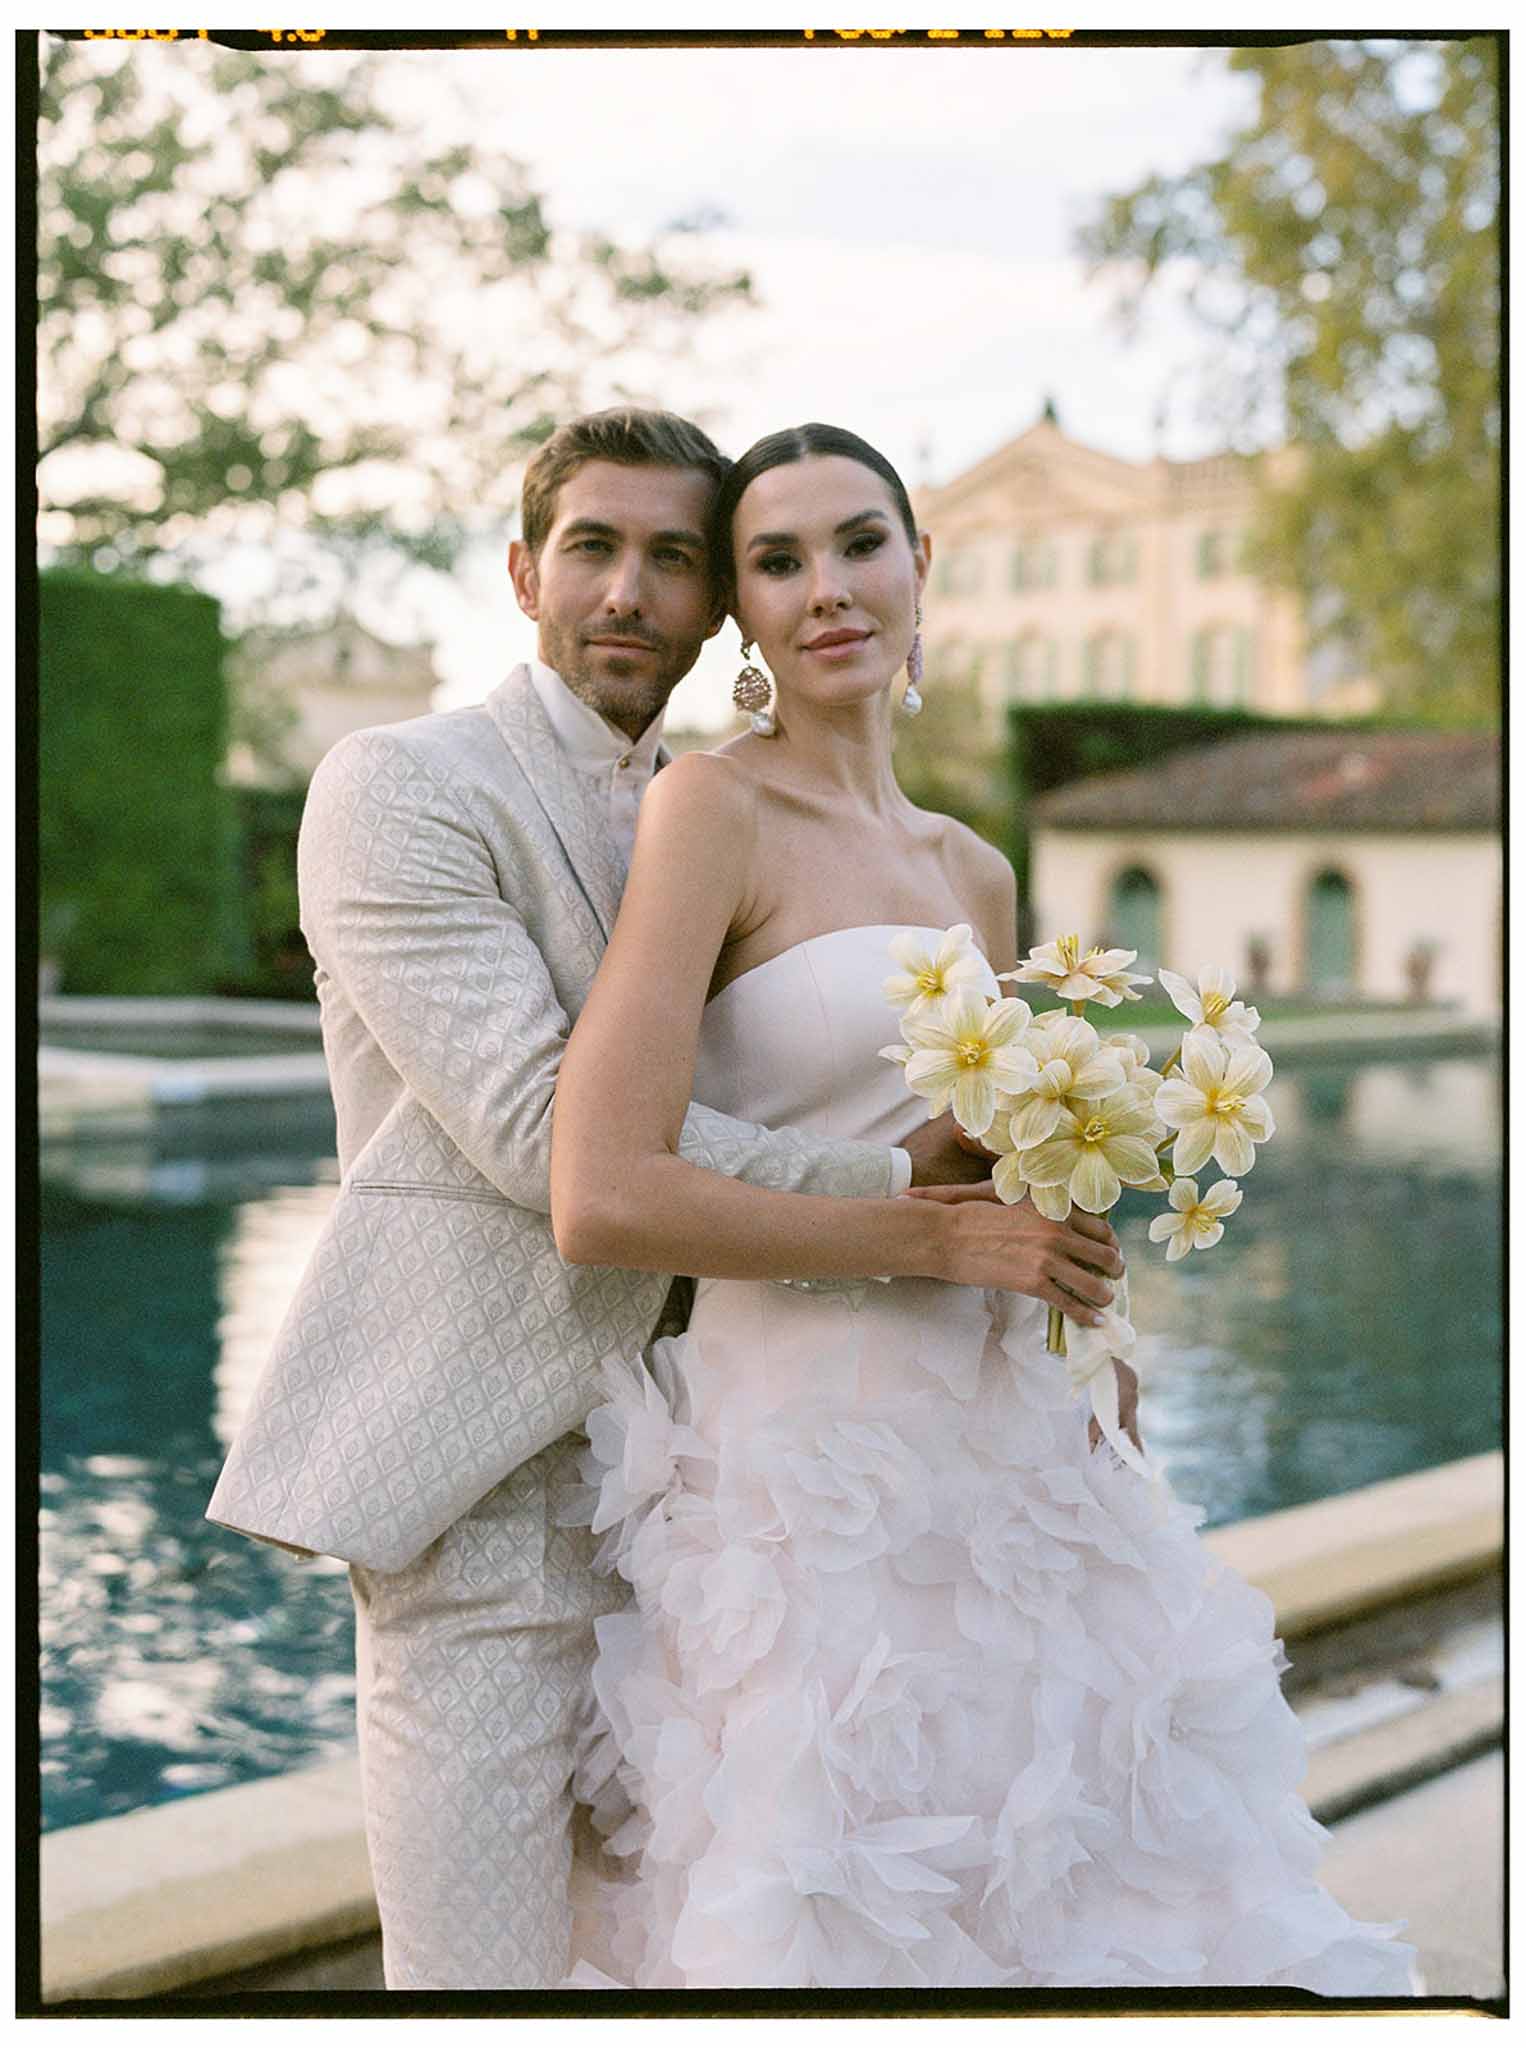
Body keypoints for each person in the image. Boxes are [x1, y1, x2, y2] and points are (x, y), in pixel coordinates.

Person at [205, 407, 1126, 1990]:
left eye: (672, 559)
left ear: (716, 611)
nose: (629, 591)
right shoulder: (401, 787)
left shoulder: (737, 803)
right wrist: (905, 1196)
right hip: (486, 1482)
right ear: (521, 571)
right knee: (485, 1987)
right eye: (591, 549)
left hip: (719, 1484)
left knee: (722, 1963)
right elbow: (540, 1133)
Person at [547, 422, 1418, 1993]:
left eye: (859, 543)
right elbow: (602, 1193)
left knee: (1074, 1875)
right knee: (832, 1898)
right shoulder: (709, 815)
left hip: (1012, 1436)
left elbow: (993, 1163)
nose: (828, 589)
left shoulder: (975, 870)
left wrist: (1095, 1322)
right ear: (742, 615)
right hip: (808, 1454)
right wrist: (928, 1233)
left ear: (920, 566)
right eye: (777, 560)